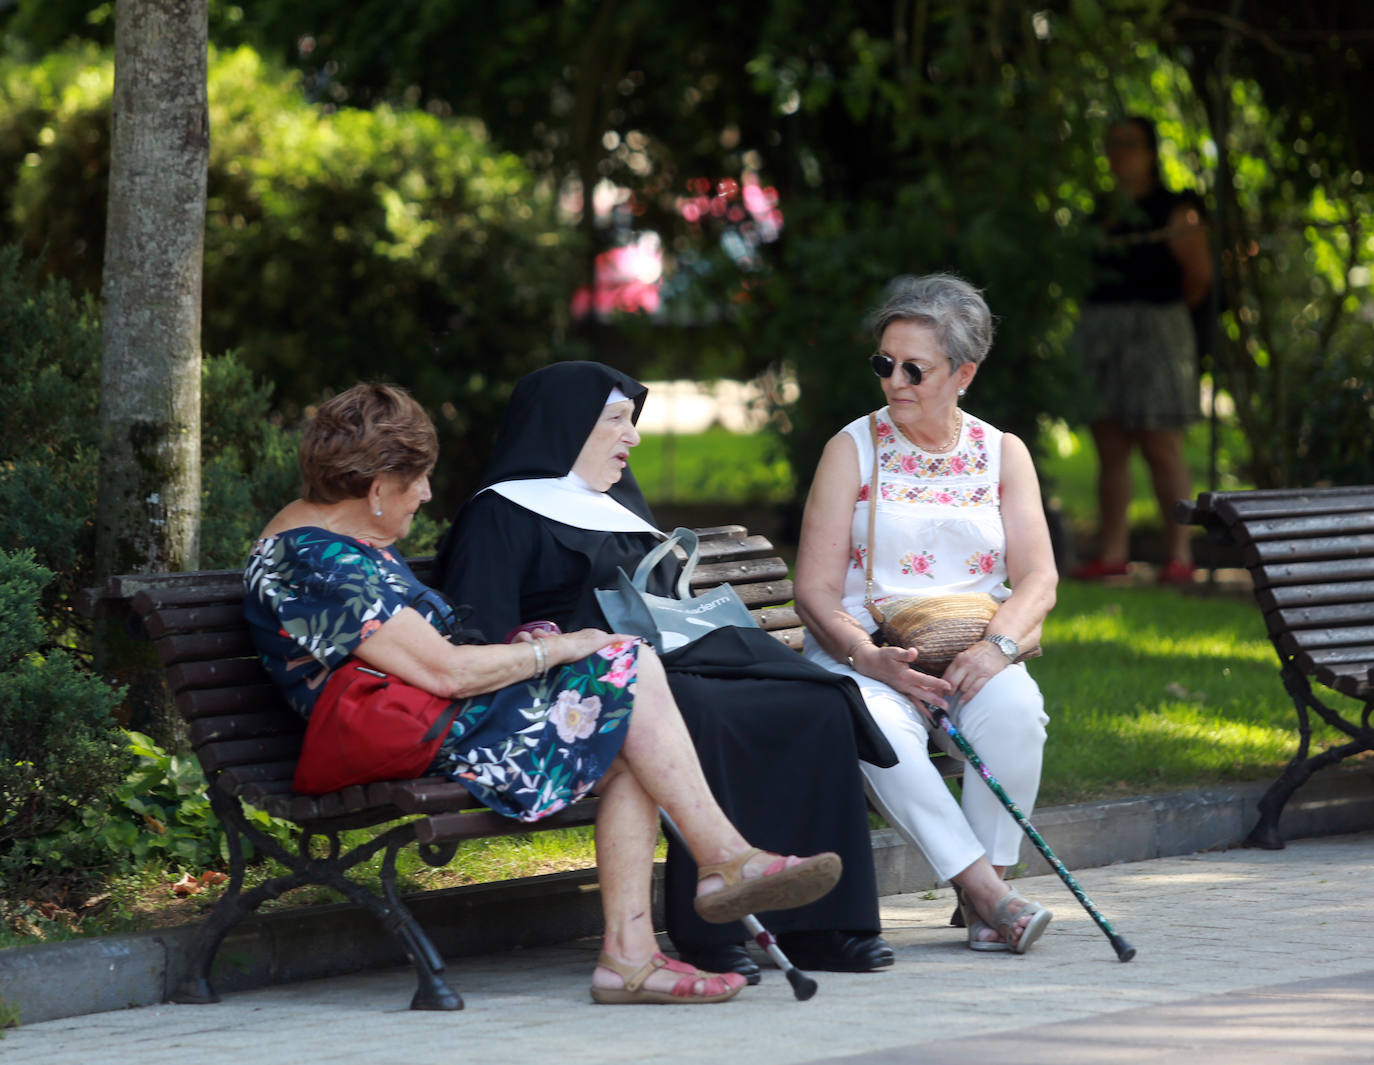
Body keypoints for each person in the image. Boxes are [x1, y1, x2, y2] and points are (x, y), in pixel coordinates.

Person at [242, 382, 844, 1005]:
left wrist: (530, 643)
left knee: (627, 724)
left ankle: (630, 958)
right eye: (416, 481)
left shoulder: (339, 539)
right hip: (404, 737)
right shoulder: (312, 560)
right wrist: (559, 648)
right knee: (624, 666)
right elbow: (445, 674)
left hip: (433, 720)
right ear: (374, 491)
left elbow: (424, 657)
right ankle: (723, 861)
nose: (425, 494)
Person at [434, 362, 899, 982]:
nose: (634, 438)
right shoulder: (498, 515)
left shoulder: (617, 506)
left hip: (664, 663)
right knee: (698, 708)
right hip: (569, 690)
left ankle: (823, 926)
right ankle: (715, 934)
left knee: (809, 700)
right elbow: (479, 636)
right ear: (566, 427)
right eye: (617, 421)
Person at [793, 274, 1058, 954]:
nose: (895, 381)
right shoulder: (851, 448)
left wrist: (996, 649)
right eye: (885, 364)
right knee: (880, 730)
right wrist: (866, 656)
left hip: (975, 642)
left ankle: (986, 898)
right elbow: (815, 591)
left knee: (1015, 712)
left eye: (917, 368)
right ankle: (991, 894)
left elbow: (1038, 578)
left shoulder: (1002, 452)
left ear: (964, 372)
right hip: (869, 651)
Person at [1072, 115, 1213, 585]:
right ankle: (1113, 554)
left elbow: (1199, 276)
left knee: (1161, 444)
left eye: (1129, 144)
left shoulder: (1177, 208)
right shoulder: (1099, 210)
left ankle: (1180, 556)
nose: (1119, 153)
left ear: (1151, 152)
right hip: (1102, 332)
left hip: (1158, 331)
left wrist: (1157, 319)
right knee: (1109, 443)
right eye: (1112, 144)